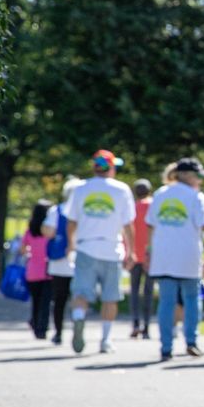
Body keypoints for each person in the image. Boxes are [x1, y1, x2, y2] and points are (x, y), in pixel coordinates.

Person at [63, 150, 136, 354]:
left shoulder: (80, 189)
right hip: (112, 248)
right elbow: (128, 224)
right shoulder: (121, 190)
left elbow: (71, 221)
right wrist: (131, 250)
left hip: (85, 247)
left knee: (81, 292)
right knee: (110, 297)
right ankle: (105, 339)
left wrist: (71, 244)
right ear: (111, 167)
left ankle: (79, 318)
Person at [146, 158, 204, 360]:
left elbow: (151, 224)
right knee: (192, 299)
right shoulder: (196, 197)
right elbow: (203, 224)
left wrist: (149, 251)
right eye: (198, 176)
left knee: (166, 302)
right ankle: (191, 341)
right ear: (187, 176)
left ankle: (166, 346)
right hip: (188, 255)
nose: (200, 181)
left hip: (163, 255)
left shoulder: (160, 194)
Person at [42, 177, 82, 345]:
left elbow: (48, 232)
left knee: (59, 299)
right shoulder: (84, 211)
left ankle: (58, 332)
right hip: (81, 259)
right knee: (80, 297)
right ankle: (78, 326)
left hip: (60, 262)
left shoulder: (57, 210)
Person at [20, 200, 54, 339]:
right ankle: (42, 327)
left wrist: (31, 253)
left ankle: (35, 323)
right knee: (46, 301)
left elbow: (22, 250)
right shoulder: (50, 232)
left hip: (32, 270)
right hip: (48, 270)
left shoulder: (30, 231)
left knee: (36, 300)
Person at [129, 179, 155, 339]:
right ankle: (147, 327)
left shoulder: (131, 208)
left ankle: (135, 324)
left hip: (134, 255)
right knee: (148, 292)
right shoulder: (154, 207)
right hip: (151, 255)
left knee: (134, 291)